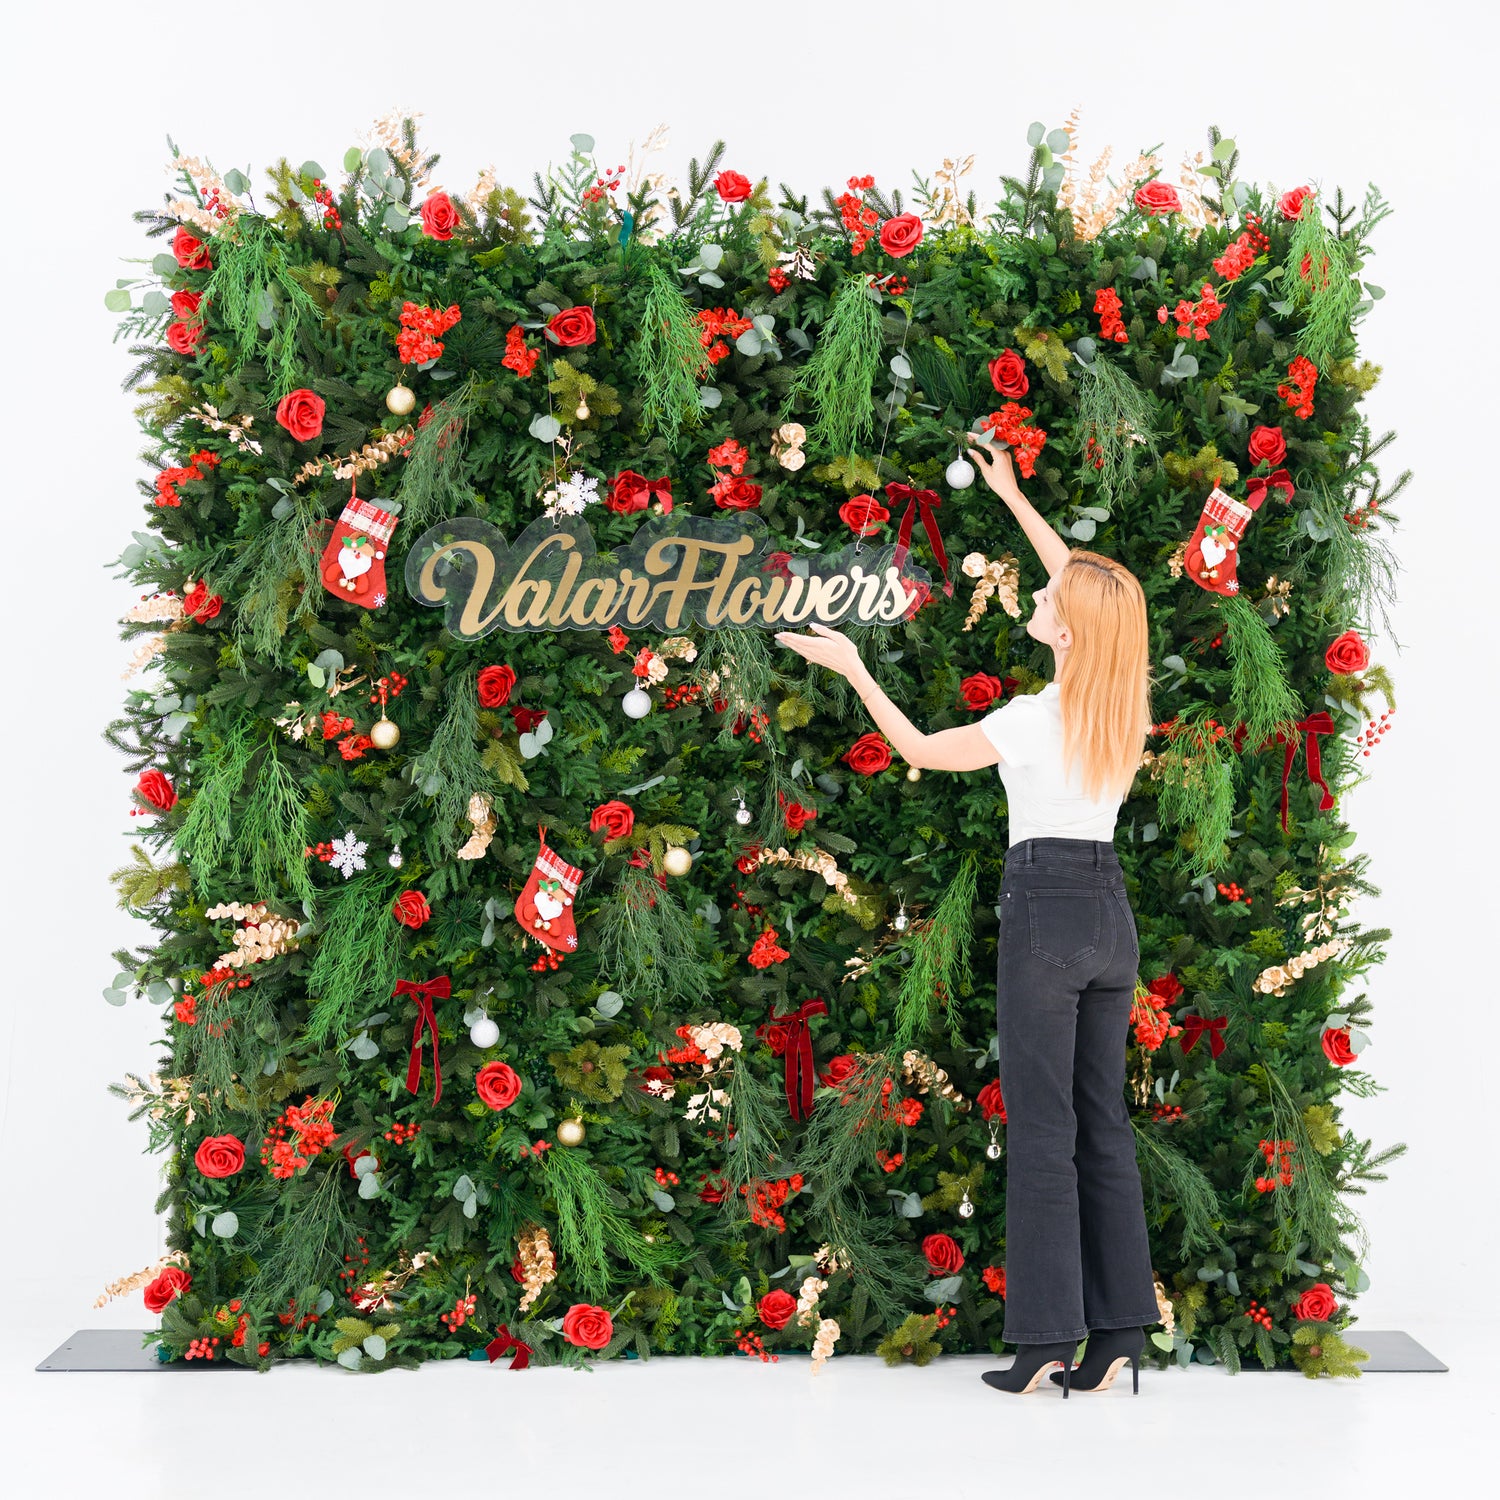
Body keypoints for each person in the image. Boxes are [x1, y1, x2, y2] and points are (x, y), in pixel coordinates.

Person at [774, 437, 1158, 1398]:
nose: (1038, 599)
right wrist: (1014, 495)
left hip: (1046, 914)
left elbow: (912, 743)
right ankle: (1116, 1341)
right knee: (1102, 1126)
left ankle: (1040, 1348)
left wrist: (853, 664)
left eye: (1046, 607)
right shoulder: (1124, 704)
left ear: (1066, 634)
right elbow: (1082, 585)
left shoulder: (1028, 720)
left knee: (1040, 1130)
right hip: (1110, 917)